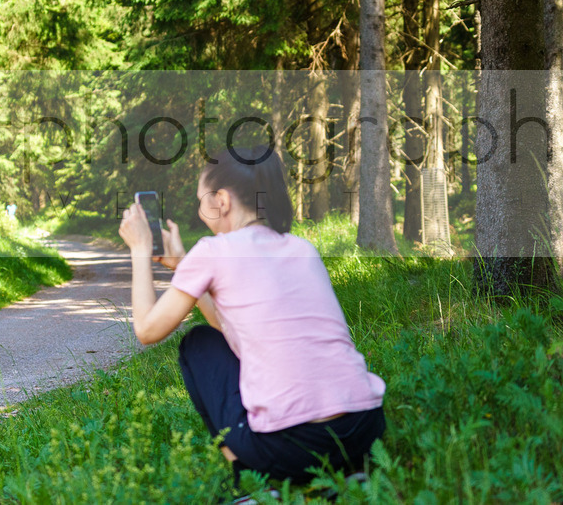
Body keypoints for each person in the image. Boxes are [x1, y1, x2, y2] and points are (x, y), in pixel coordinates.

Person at [118, 147, 386, 488]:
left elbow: (146, 330)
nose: (201, 211)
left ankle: (250, 482)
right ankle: (350, 472)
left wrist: (140, 250)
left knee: (198, 344)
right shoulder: (301, 248)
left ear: (223, 201)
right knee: (219, 338)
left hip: (290, 447)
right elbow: (233, 331)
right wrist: (186, 268)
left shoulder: (213, 251)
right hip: (364, 429)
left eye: (202, 201)